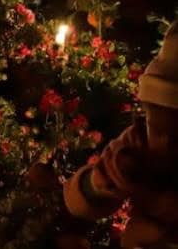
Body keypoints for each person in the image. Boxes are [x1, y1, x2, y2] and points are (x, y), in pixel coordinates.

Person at [64, 21, 178, 247]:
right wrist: (99, 182)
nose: (164, 142)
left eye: (175, 134)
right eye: (157, 129)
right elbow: (78, 200)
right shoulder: (139, 142)